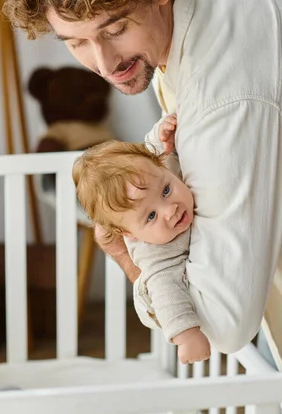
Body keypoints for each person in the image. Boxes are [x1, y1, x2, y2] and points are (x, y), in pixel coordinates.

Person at [4, 0, 282, 376]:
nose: (103, 64)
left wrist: (135, 265)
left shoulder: (227, 100)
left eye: (115, 29)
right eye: (76, 42)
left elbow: (222, 325)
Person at [72, 133, 211, 365]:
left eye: (166, 191)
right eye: (151, 216)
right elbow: (167, 295)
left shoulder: (162, 168)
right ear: (129, 234)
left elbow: (157, 145)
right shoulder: (156, 256)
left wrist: (165, 132)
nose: (170, 210)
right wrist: (187, 337)